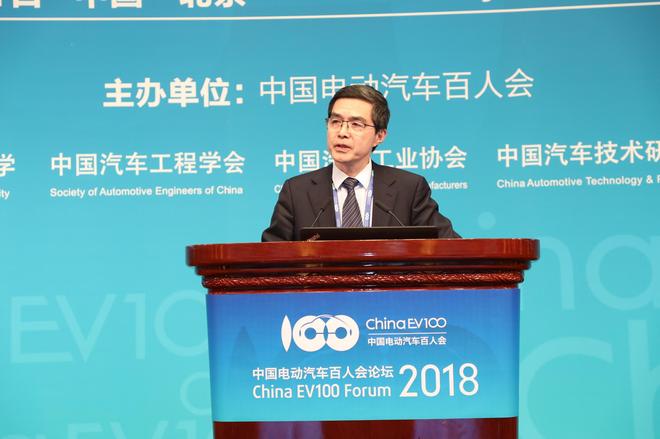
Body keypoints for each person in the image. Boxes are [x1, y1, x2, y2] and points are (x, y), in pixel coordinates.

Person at [262, 84, 459, 242]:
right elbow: (270, 257)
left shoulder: (409, 189)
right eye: (335, 122)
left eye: (356, 124)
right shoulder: (296, 192)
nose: (342, 132)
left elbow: (451, 247)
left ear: (379, 136)